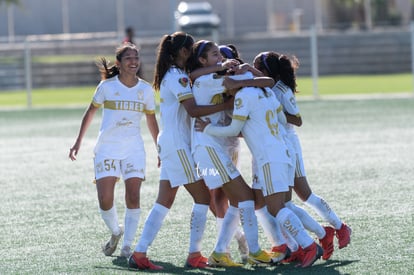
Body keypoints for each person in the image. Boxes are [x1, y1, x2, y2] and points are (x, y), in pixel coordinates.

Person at [194, 70, 324, 267]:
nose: (227, 92)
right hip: (282, 152)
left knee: (275, 207)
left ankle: (309, 246)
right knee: (280, 205)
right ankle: (299, 248)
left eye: (229, 89)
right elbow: (281, 119)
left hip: (269, 157)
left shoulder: (243, 96)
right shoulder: (268, 93)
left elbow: (232, 130)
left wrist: (207, 128)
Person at [128, 32, 233, 271]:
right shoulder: (178, 78)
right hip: (178, 145)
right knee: (203, 198)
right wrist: (225, 105)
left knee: (163, 201)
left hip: (171, 143)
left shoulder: (173, 75)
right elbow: (194, 110)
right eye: (191, 49)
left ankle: (140, 253)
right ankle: (194, 254)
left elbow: (194, 79)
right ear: (184, 52)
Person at [187, 40, 281, 267]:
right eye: (214, 55)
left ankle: (221, 252)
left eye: (220, 54)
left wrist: (243, 70)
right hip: (208, 148)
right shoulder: (210, 79)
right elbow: (265, 82)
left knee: (239, 200)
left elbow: (268, 82)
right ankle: (254, 250)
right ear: (202, 60)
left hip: (214, 148)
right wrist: (244, 71)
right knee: (245, 197)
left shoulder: (212, 76)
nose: (219, 58)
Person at [253, 51, 352, 259]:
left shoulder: (280, 90)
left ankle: (338, 227)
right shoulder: (268, 89)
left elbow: (297, 120)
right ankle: (302, 244)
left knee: (303, 194)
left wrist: (277, 111)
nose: (254, 72)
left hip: (287, 143)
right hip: (277, 144)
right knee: (285, 202)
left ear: (268, 72)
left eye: (257, 68)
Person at [68, 42, 159, 259]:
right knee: (105, 199)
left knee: (134, 196)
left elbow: (151, 120)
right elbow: (90, 112)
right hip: (107, 148)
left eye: (136, 57)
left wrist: (159, 148)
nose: (133, 61)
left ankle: (127, 246)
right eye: (128, 58)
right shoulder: (106, 87)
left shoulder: (145, 90)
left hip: (133, 149)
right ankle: (116, 232)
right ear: (119, 63)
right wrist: (78, 142)